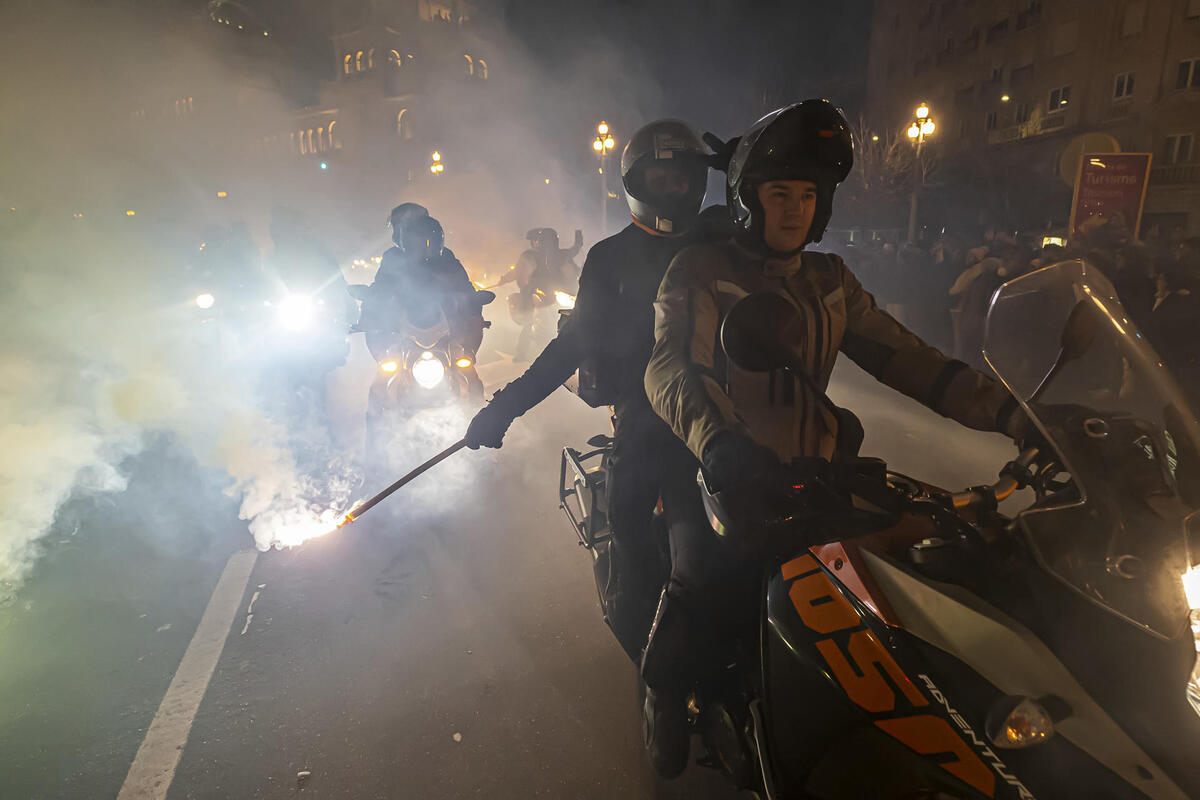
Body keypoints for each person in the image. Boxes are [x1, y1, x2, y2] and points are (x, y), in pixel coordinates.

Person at [643, 100, 1026, 718]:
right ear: (749, 198)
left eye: (807, 194)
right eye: (778, 193)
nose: (795, 208)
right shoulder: (701, 269)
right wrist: (719, 443)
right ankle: (661, 694)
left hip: (816, 477)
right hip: (721, 471)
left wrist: (1013, 415)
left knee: (927, 570)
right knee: (698, 579)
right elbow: (674, 365)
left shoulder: (829, 280)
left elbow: (908, 359)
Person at [464, 119, 720, 778]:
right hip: (649, 420)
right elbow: (572, 346)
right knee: (643, 540)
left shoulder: (723, 242)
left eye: (683, 178)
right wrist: (505, 407)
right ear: (635, 184)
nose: (672, 189)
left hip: (732, 418)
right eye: (659, 178)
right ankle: (657, 679)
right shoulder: (610, 257)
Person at [361, 206, 485, 391]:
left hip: (446, 331)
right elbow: (380, 289)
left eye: (423, 236)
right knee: (380, 384)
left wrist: (473, 305)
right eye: (413, 235)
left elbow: (465, 289)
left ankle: (482, 414)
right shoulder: (392, 258)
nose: (420, 244)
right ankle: (376, 415)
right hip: (402, 331)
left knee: (470, 378)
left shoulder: (448, 259)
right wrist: (371, 306)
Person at [504, 227, 582, 360]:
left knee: (560, 322)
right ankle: (521, 353)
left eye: (540, 241)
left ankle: (558, 352)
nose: (537, 243)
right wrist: (505, 278)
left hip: (555, 295)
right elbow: (519, 271)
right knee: (528, 321)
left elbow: (574, 252)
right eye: (536, 241)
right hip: (536, 294)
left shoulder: (560, 255)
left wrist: (578, 237)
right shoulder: (531, 256)